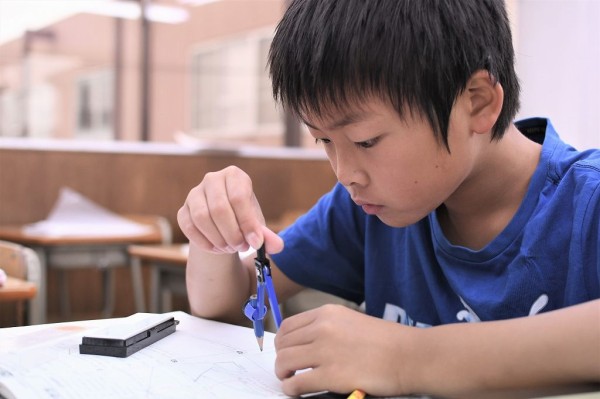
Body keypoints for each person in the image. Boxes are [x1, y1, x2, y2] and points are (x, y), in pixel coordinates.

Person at [177, 0, 600, 396]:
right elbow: (230, 305)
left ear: (477, 102)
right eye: (323, 139)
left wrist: (406, 357)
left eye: (366, 140)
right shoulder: (367, 211)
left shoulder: (587, 202)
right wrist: (211, 236)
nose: (345, 174)